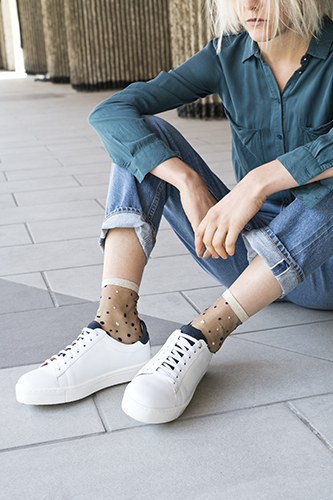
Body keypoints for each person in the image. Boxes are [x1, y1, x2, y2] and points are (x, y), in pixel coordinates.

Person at [16, 0, 333, 424]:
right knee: (144, 139)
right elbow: (111, 111)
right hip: (240, 256)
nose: (249, 6)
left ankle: (205, 333)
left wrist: (258, 182)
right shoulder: (227, 52)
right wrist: (187, 180)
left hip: (323, 267)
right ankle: (116, 327)